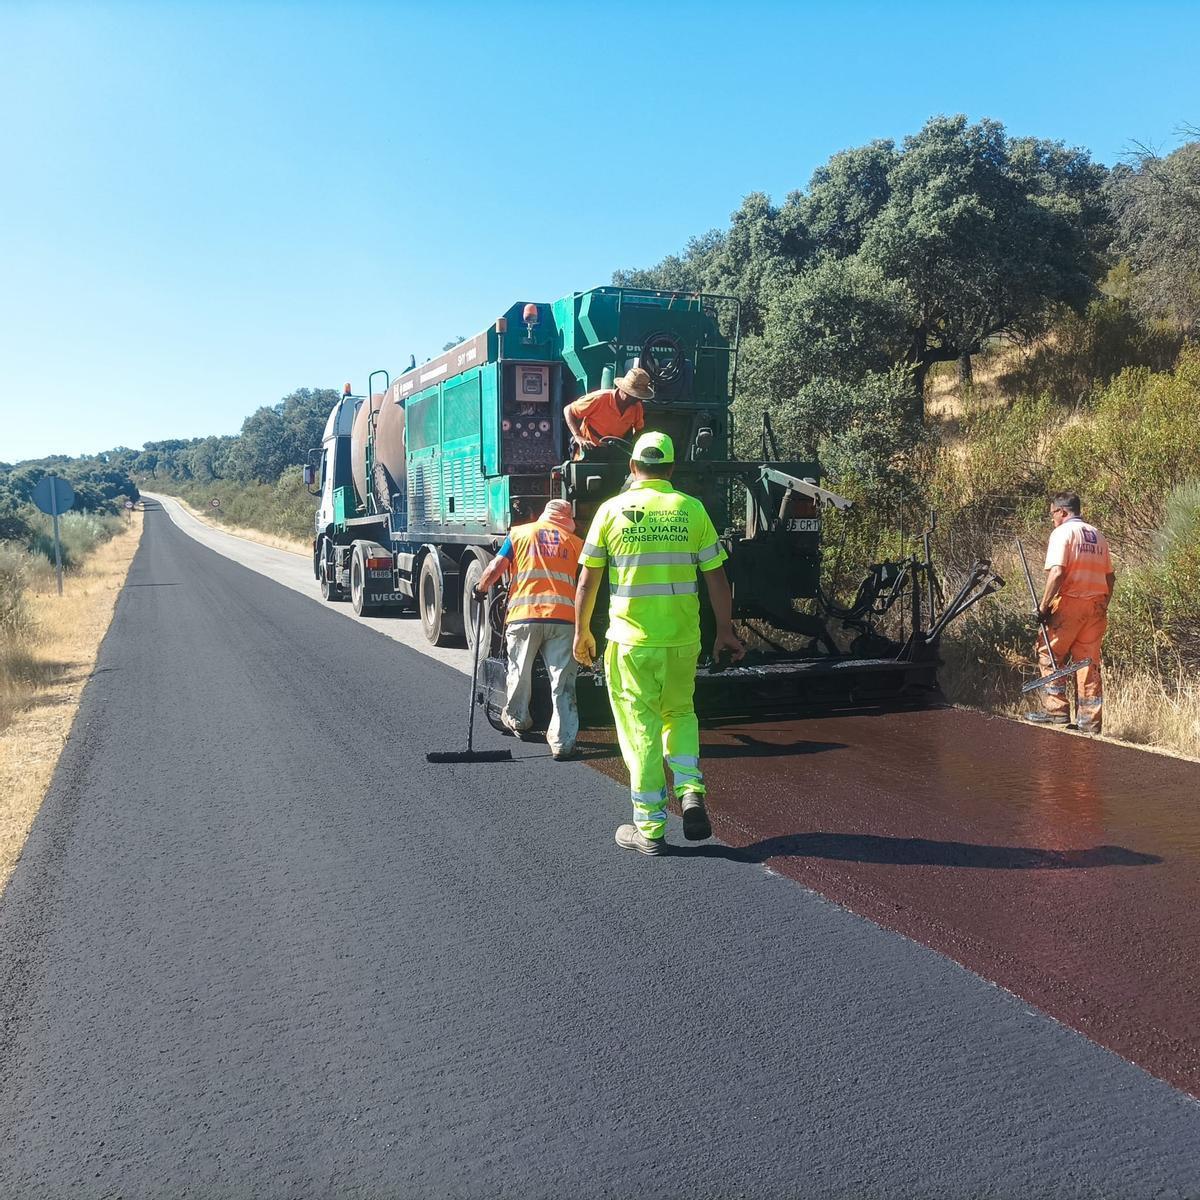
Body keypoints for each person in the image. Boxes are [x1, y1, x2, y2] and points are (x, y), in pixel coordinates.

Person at [573, 431, 745, 855]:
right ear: (671, 469)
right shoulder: (691, 509)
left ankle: (649, 828)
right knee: (681, 713)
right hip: (683, 640)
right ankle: (689, 788)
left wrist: (581, 631)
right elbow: (717, 579)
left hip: (631, 644)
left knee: (641, 729)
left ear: (632, 467)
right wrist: (725, 630)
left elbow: (587, 580)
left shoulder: (611, 510)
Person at [475, 499, 583, 760]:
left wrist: (481, 588)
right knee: (563, 682)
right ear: (568, 520)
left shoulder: (520, 534)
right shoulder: (575, 543)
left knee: (520, 671)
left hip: (525, 617)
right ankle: (562, 743)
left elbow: (495, 568)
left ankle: (518, 719)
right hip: (563, 620)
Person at [1026, 490, 1115, 735]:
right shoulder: (1097, 535)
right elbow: (1110, 576)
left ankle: (1056, 712)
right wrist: (1103, 604)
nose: (1052, 519)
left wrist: (1043, 607)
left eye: (1053, 514)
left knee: (1049, 653)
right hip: (1096, 606)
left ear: (1062, 511)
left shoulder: (1062, 533)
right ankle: (1089, 722)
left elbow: (1057, 573)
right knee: (1088, 663)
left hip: (1070, 603)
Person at [563, 366, 653, 457]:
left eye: (638, 397)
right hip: (588, 451)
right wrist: (578, 437)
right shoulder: (600, 398)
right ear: (623, 390)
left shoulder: (636, 406)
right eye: (632, 396)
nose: (635, 399)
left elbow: (639, 430)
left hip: (615, 453)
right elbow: (568, 410)